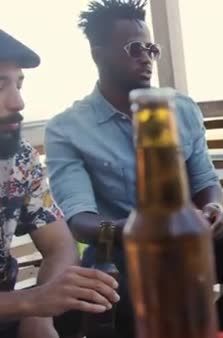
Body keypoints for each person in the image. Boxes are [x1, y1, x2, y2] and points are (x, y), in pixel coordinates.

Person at [44, 0, 223, 334]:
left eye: (151, 49)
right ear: (98, 54)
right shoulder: (67, 128)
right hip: (120, 248)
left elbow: (206, 181)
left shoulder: (181, 109)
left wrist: (213, 207)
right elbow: (80, 219)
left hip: (186, 237)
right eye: (134, 49)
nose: (146, 58)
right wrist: (139, 229)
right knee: (111, 297)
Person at [0, 30, 119, 338]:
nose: (18, 101)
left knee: (111, 296)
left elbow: (61, 245)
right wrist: (30, 302)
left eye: (19, 83)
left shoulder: (20, 158)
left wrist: (39, 315)